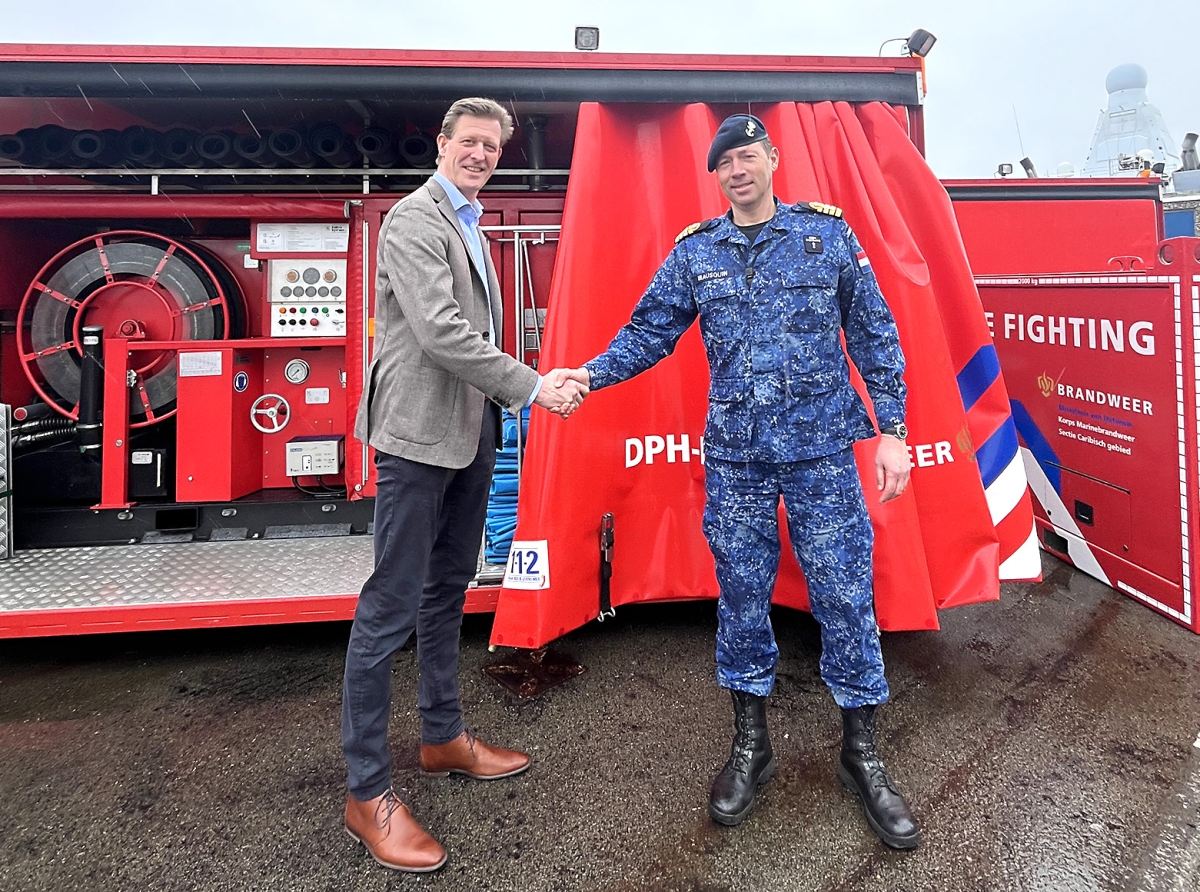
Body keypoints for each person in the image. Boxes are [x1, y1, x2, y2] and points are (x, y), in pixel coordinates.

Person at [556, 114, 920, 848]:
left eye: (748, 157)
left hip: (820, 453)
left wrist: (893, 431)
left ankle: (862, 753)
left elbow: (875, 330)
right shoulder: (698, 253)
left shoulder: (825, 236)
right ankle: (752, 748)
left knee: (846, 592)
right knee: (743, 598)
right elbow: (650, 331)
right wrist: (588, 376)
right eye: (725, 162)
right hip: (738, 458)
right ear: (716, 175)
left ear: (772, 161)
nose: (737, 170)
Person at [342, 96, 587, 873]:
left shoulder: (470, 221)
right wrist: (532, 385)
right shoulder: (416, 220)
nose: (480, 154)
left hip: (468, 429)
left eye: (492, 145)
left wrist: (503, 398)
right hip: (418, 438)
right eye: (469, 142)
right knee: (388, 609)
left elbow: (468, 335)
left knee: (447, 590)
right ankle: (366, 793)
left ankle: (443, 736)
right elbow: (445, 333)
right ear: (442, 144)